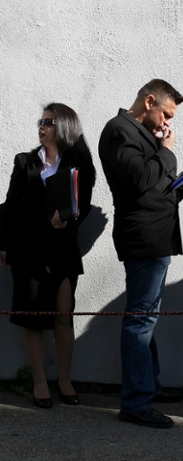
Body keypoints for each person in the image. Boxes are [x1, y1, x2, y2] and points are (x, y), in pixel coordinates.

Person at [98, 79, 183, 428]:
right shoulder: (118, 131)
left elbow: (150, 185)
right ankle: (136, 402)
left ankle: (148, 386)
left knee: (146, 316)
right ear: (149, 101)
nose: (167, 123)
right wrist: (166, 151)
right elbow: (138, 180)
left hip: (155, 235)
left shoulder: (140, 134)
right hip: (143, 237)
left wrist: (177, 182)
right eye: (166, 114)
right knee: (140, 319)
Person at [0, 103, 96, 408]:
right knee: (32, 316)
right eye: (40, 121)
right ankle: (40, 382)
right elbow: (11, 204)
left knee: (63, 315)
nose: (41, 127)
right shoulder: (25, 162)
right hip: (28, 249)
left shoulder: (79, 162)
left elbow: (84, 204)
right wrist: (3, 243)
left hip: (62, 247)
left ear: (64, 126)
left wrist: (68, 219)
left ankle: (64, 379)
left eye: (48, 122)